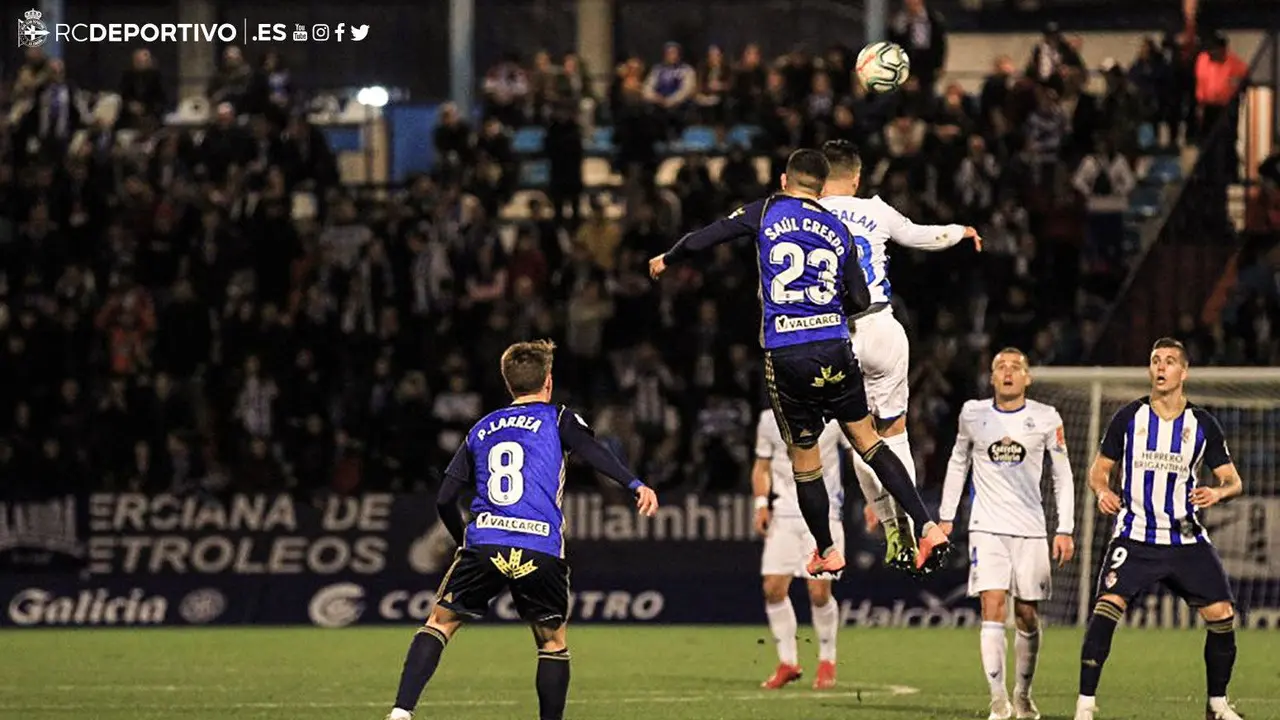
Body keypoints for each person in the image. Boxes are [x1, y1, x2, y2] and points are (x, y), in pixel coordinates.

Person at [648, 148, 951, 576]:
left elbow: (712, 233)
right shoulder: (837, 227)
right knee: (869, 441)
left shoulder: (768, 209)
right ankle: (927, 524)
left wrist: (669, 257)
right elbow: (861, 299)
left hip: (788, 352)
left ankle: (827, 549)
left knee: (805, 457)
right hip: (835, 347)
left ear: (785, 180)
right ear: (821, 187)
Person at [385, 340, 659, 720]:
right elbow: (593, 451)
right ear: (548, 382)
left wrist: (462, 536)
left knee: (440, 623)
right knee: (551, 643)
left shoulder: (482, 428)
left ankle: (401, 711)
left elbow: (446, 497)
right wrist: (634, 484)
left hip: (486, 541)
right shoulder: (558, 417)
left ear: (508, 383)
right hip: (539, 547)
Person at [819, 140, 982, 570]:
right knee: (894, 432)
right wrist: (961, 231)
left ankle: (892, 527)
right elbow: (922, 236)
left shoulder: (808, 214)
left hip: (835, 335)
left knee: (859, 438)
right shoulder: (873, 209)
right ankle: (917, 522)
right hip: (882, 328)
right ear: (856, 178)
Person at [1075, 338, 1244, 720]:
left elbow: (1234, 481)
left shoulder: (1202, 424)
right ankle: (1084, 705)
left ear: (1183, 372)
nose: (1161, 367)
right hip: (1135, 536)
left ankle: (1217, 705)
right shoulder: (1128, 418)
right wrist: (1102, 490)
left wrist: (1217, 494)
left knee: (1222, 613)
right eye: (1155, 361)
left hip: (1185, 538)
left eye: (1169, 361)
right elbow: (1098, 471)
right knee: (1107, 607)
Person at [939, 348, 1075, 720]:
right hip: (986, 526)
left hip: (1031, 529)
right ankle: (998, 701)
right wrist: (946, 518)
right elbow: (957, 462)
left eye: (1016, 367)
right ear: (992, 377)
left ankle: (1023, 694)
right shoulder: (973, 413)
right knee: (992, 605)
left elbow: (1062, 475)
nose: (1009, 372)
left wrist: (1065, 528)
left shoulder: (1046, 418)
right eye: (1001, 367)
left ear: (1028, 378)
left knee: (1027, 614)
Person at [752, 410, 847, 690]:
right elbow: (762, 466)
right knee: (772, 588)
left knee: (819, 592)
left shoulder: (833, 416)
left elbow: (859, 453)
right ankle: (788, 662)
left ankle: (827, 660)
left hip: (823, 514)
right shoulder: (769, 419)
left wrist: (873, 499)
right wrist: (760, 503)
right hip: (784, 513)